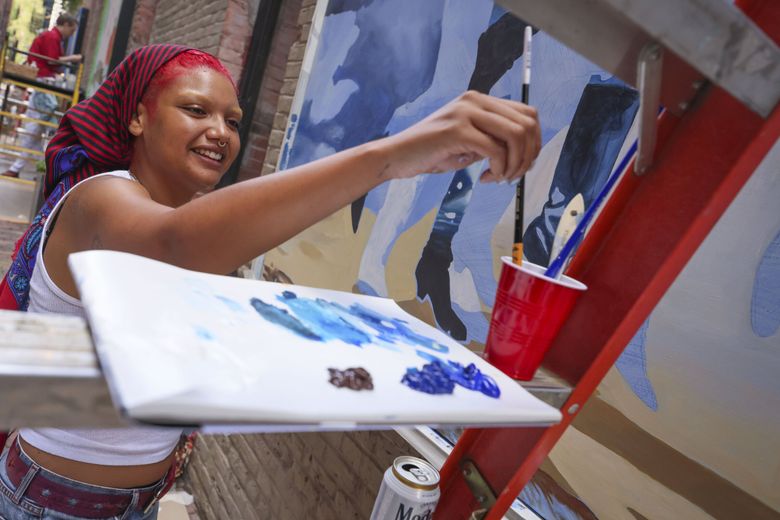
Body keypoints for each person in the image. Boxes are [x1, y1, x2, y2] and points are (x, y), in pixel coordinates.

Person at [0, 44, 540, 518]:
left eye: (233, 120)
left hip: (132, 502)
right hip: (51, 504)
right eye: (195, 110)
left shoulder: (193, 216)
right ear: (138, 119)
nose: (219, 131)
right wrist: (393, 156)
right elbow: (173, 244)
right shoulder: (101, 198)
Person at [2, 13, 82, 178]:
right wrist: (73, 58)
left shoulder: (51, 36)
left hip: (43, 86)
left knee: (38, 129)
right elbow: (52, 61)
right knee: (44, 127)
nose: (72, 34)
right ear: (65, 24)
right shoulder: (52, 37)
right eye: (72, 30)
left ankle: (38, 169)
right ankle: (45, 170)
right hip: (44, 86)